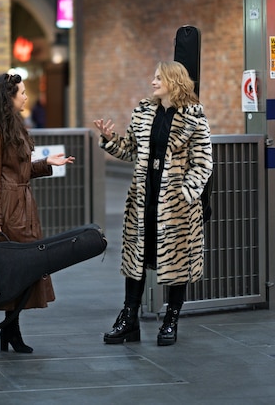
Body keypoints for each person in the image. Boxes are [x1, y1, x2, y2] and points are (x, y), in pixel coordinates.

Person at [93, 61, 212, 347]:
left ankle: (171, 319)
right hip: (144, 199)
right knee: (136, 260)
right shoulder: (143, 112)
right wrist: (110, 140)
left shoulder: (195, 118)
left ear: (174, 81)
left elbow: (203, 164)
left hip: (177, 206)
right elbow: (130, 150)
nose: (153, 81)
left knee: (177, 261)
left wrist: (185, 194)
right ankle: (128, 319)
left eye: (159, 77)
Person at [0, 72, 75, 357]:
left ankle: (11, 331)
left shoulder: (12, 127)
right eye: (21, 92)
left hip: (21, 208)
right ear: (8, 97)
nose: (26, 96)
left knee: (19, 273)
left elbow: (17, 172)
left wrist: (45, 163)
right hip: (7, 212)